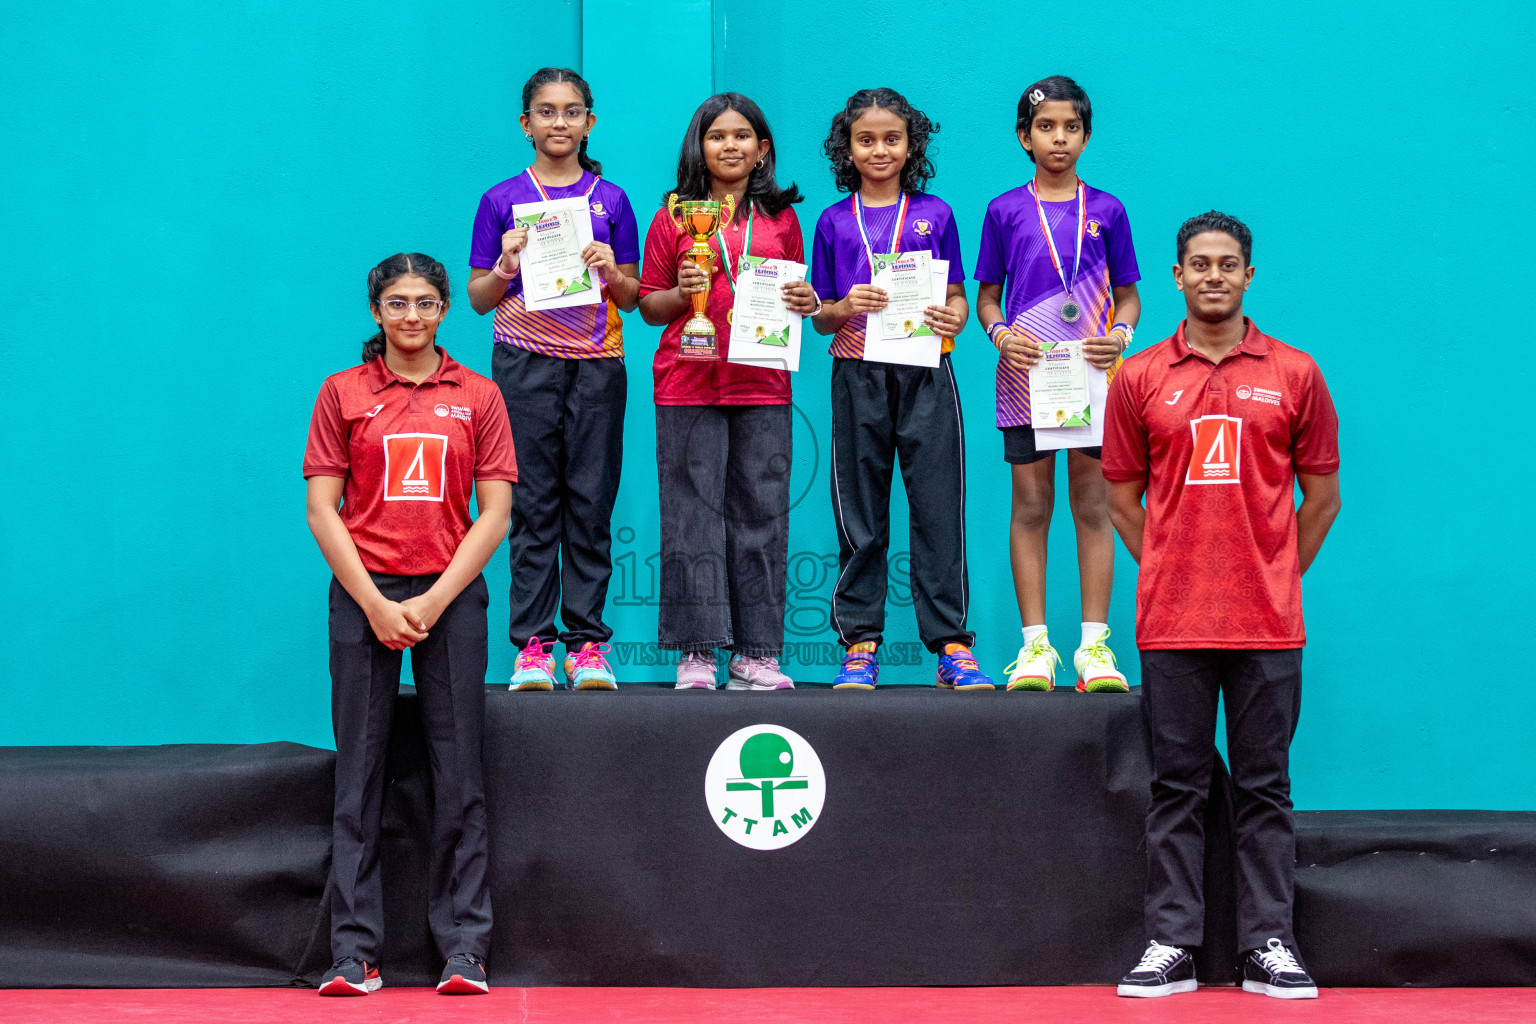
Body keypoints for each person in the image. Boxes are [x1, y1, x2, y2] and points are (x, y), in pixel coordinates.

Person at [1103, 213, 1341, 1000]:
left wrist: (1272, 571)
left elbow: (1323, 498)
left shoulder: (1296, 372)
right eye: (1198, 264)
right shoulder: (1139, 378)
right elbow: (1122, 499)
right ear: (1176, 276)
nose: (1213, 275)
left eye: (1228, 264)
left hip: (1270, 624)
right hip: (1172, 622)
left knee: (1266, 786)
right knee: (1176, 786)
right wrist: (1172, 566)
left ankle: (1268, 944)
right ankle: (1171, 943)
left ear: (1248, 275)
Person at [304, 254, 517, 996]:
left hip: (450, 595)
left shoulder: (479, 394)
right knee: (357, 775)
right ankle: (354, 954)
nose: (412, 317)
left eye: (426, 303)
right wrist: (374, 602)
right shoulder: (342, 392)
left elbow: (494, 515)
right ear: (376, 312)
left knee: (458, 776)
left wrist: (433, 600)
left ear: (446, 309)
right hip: (365, 597)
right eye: (397, 304)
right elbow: (321, 510)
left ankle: (465, 950)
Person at [809, 87, 992, 691]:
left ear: (911, 144)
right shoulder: (834, 221)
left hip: (926, 371)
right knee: (858, 510)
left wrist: (957, 317)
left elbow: (959, 297)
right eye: (867, 140)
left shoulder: (935, 214)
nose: (879, 149)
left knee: (938, 508)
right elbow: (820, 317)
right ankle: (860, 642)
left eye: (892, 138)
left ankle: (951, 646)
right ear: (848, 148)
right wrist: (844, 304)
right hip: (856, 372)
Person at [467, 67, 640, 691]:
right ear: (526, 123)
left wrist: (610, 271)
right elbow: (479, 298)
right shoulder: (500, 199)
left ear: (588, 122)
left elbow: (634, 292)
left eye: (572, 112)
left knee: (590, 506)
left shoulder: (612, 199)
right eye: (546, 111)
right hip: (523, 364)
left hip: (597, 365)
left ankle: (588, 644)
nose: (559, 122)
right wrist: (507, 263)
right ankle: (535, 646)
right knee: (533, 506)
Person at [637, 93, 816, 690]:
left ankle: (756, 651)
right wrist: (682, 287)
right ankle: (696, 651)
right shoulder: (672, 216)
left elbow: (800, 297)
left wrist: (806, 300)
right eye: (717, 136)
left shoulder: (782, 219)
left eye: (743, 136)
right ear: (700, 146)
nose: (731, 145)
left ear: (762, 148)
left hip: (762, 384)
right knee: (691, 519)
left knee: (760, 515)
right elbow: (649, 306)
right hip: (686, 383)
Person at [974, 75, 1141, 693]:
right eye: (1046, 127)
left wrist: (1119, 337)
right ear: (1024, 137)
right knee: (1031, 506)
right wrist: (999, 336)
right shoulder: (1003, 210)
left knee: (1093, 507)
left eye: (1072, 127)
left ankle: (1094, 647)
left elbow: (1128, 298)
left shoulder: (1108, 210)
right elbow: (988, 298)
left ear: (1087, 137)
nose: (1059, 138)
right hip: (1026, 377)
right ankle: (1035, 647)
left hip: (1096, 379)